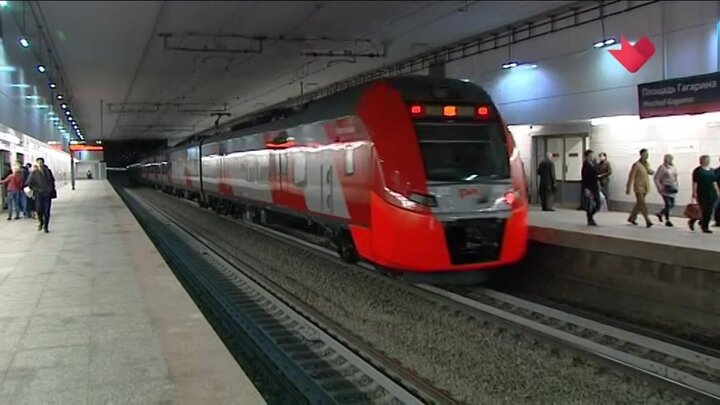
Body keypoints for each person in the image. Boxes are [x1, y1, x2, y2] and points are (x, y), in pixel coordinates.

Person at [690, 155, 719, 233]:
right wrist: (694, 192)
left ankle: (699, 221)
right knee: (706, 210)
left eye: (708, 160)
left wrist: (717, 192)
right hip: (702, 193)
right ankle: (704, 226)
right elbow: (695, 182)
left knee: (709, 210)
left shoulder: (712, 170)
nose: (707, 161)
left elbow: (714, 182)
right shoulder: (698, 171)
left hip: (712, 193)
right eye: (705, 160)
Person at [25, 158, 56, 233]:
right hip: (38, 194)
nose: (40, 164)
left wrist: (51, 189)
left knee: (47, 211)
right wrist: (35, 189)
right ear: (36, 163)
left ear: (43, 163)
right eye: (38, 162)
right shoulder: (34, 173)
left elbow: (52, 180)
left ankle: (46, 226)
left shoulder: (48, 171)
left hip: (47, 194)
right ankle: (41, 221)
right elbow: (28, 183)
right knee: (39, 209)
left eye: (41, 162)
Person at [626, 148, 654, 228]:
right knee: (642, 204)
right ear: (641, 155)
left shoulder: (646, 164)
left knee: (639, 204)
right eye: (645, 154)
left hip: (645, 187)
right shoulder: (636, 165)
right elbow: (631, 176)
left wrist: (652, 170)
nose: (647, 155)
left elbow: (650, 172)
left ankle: (632, 218)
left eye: (647, 154)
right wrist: (628, 187)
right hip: (638, 188)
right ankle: (647, 220)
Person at [653, 154, 678, 227]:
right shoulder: (662, 168)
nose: (671, 160)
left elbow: (675, 177)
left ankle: (660, 213)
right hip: (665, 187)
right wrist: (659, 187)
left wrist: (677, 185)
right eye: (669, 159)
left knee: (672, 204)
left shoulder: (673, 167)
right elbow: (656, 178)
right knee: (667, 204)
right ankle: (667, 220)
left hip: (672, 187)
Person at [581, 149, 601, 226]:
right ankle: (589, 218)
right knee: (590, 204)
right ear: (586, 156)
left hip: (595, 186)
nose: (591, 157)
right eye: (590, 155)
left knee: (598, 204)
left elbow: (596, 174)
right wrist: (586, 188)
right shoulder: (585, 165)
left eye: (592, 155)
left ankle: (590, 216)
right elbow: (584, 178)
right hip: (589, 187)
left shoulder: (593, 164)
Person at [714, 157, 720, 227]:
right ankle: (718, 221)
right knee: (718, 206)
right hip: (719, 190)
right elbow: (714, 182)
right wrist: (718, 191)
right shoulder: (717, 171)